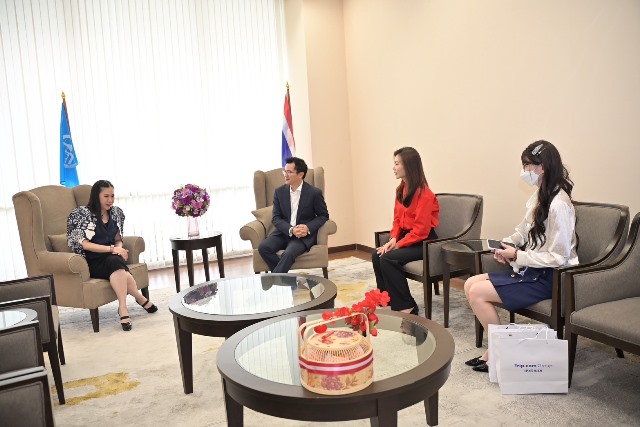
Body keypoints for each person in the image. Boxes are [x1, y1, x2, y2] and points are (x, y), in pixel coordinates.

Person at [464, 140, 578, 372]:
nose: (525, 171)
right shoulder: (540, 195)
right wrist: (507, 245)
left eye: (528, 166)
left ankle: (498, 353)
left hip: (553, 278)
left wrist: (517, 255)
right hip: (535, 270)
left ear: (542, 167)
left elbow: (558, 258)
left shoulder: (559, 204)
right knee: (469, 284)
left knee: (477, 292)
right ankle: (496, 350)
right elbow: (523, 231)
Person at [67, 180, 157, 331]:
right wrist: (113, 250)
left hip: (112, 258)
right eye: (106, 196)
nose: (110, 200)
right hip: (92, 261)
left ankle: (123, 308)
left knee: (116, 262)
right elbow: (85, 244)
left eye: (112, 196)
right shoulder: (82, 214)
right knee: (117, 263)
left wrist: (119, 249)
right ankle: (138, 298)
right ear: (96, 196)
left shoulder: (115, 213)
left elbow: (118, 239)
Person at [372, 147, 439, 315]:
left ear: (408, 166)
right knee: (377, 254)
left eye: (396, 164)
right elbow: (397, 220)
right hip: (407, 237)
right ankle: (386, 299)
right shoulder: (400, 190)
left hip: (424, 242)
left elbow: (421, 231)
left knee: (388, 258)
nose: (393, 168)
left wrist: (398, 245)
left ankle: (407, 305)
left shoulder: (425, 194)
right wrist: (393, 239)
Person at [258, 157, 330, 273]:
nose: (285, 175)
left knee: (288, 254)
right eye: (285, 172)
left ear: (300, 174)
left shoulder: (314, 193)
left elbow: (323, 215)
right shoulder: (279, 192)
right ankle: (283, 279)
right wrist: (291, 229)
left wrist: (307, 228)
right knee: (263, 247)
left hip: (302, 236)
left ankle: (278, 280)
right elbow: (276, 218)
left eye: (289, 172)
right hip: (284, 232)